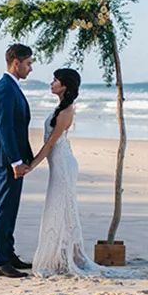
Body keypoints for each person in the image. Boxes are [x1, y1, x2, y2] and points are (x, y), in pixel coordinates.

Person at [27, 68, 107, 277]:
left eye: (55, 80)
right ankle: (58, 257)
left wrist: (32, 165)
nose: (51, 83)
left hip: (63, 166)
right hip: (60, 163)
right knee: (58, 209)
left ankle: (62, 258)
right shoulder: (61, 107)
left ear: (64, 85)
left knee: (58, 208)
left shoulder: (66, 111)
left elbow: (51, 144)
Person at [0, 43, 35, 278]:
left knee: (11, 208)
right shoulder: (5, 88)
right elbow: (5, 128)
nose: (31, 68)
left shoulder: (11, 86)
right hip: (8, 159)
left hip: (13, 158)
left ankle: (8, 254)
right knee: (4, 208)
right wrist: (16, 161)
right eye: (28, 63)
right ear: (15, 62)